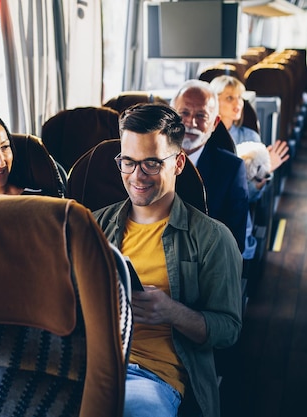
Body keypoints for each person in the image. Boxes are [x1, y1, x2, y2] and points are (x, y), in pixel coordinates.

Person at [94, 103, 242, 417]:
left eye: (151, 163)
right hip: (89, 364)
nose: (137, 176)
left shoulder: (213, 239)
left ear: (178, 163)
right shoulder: (92, 228)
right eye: (128, 162)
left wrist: (172, 311)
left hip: (153, 376)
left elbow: (228, 329)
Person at [170, 79, 249, 253]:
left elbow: (235, 244)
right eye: (183, 113)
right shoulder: (151, 161)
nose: (190, 123)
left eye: (201, 116)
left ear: (214, 123)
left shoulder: (232, 169)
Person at [209, 75, 290, 201]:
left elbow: (250, 196)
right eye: (230, 98)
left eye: (240, 97)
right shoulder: (204, 137)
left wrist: (263, 172)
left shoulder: (250, 137)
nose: (238, 103)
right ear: (213, 101)